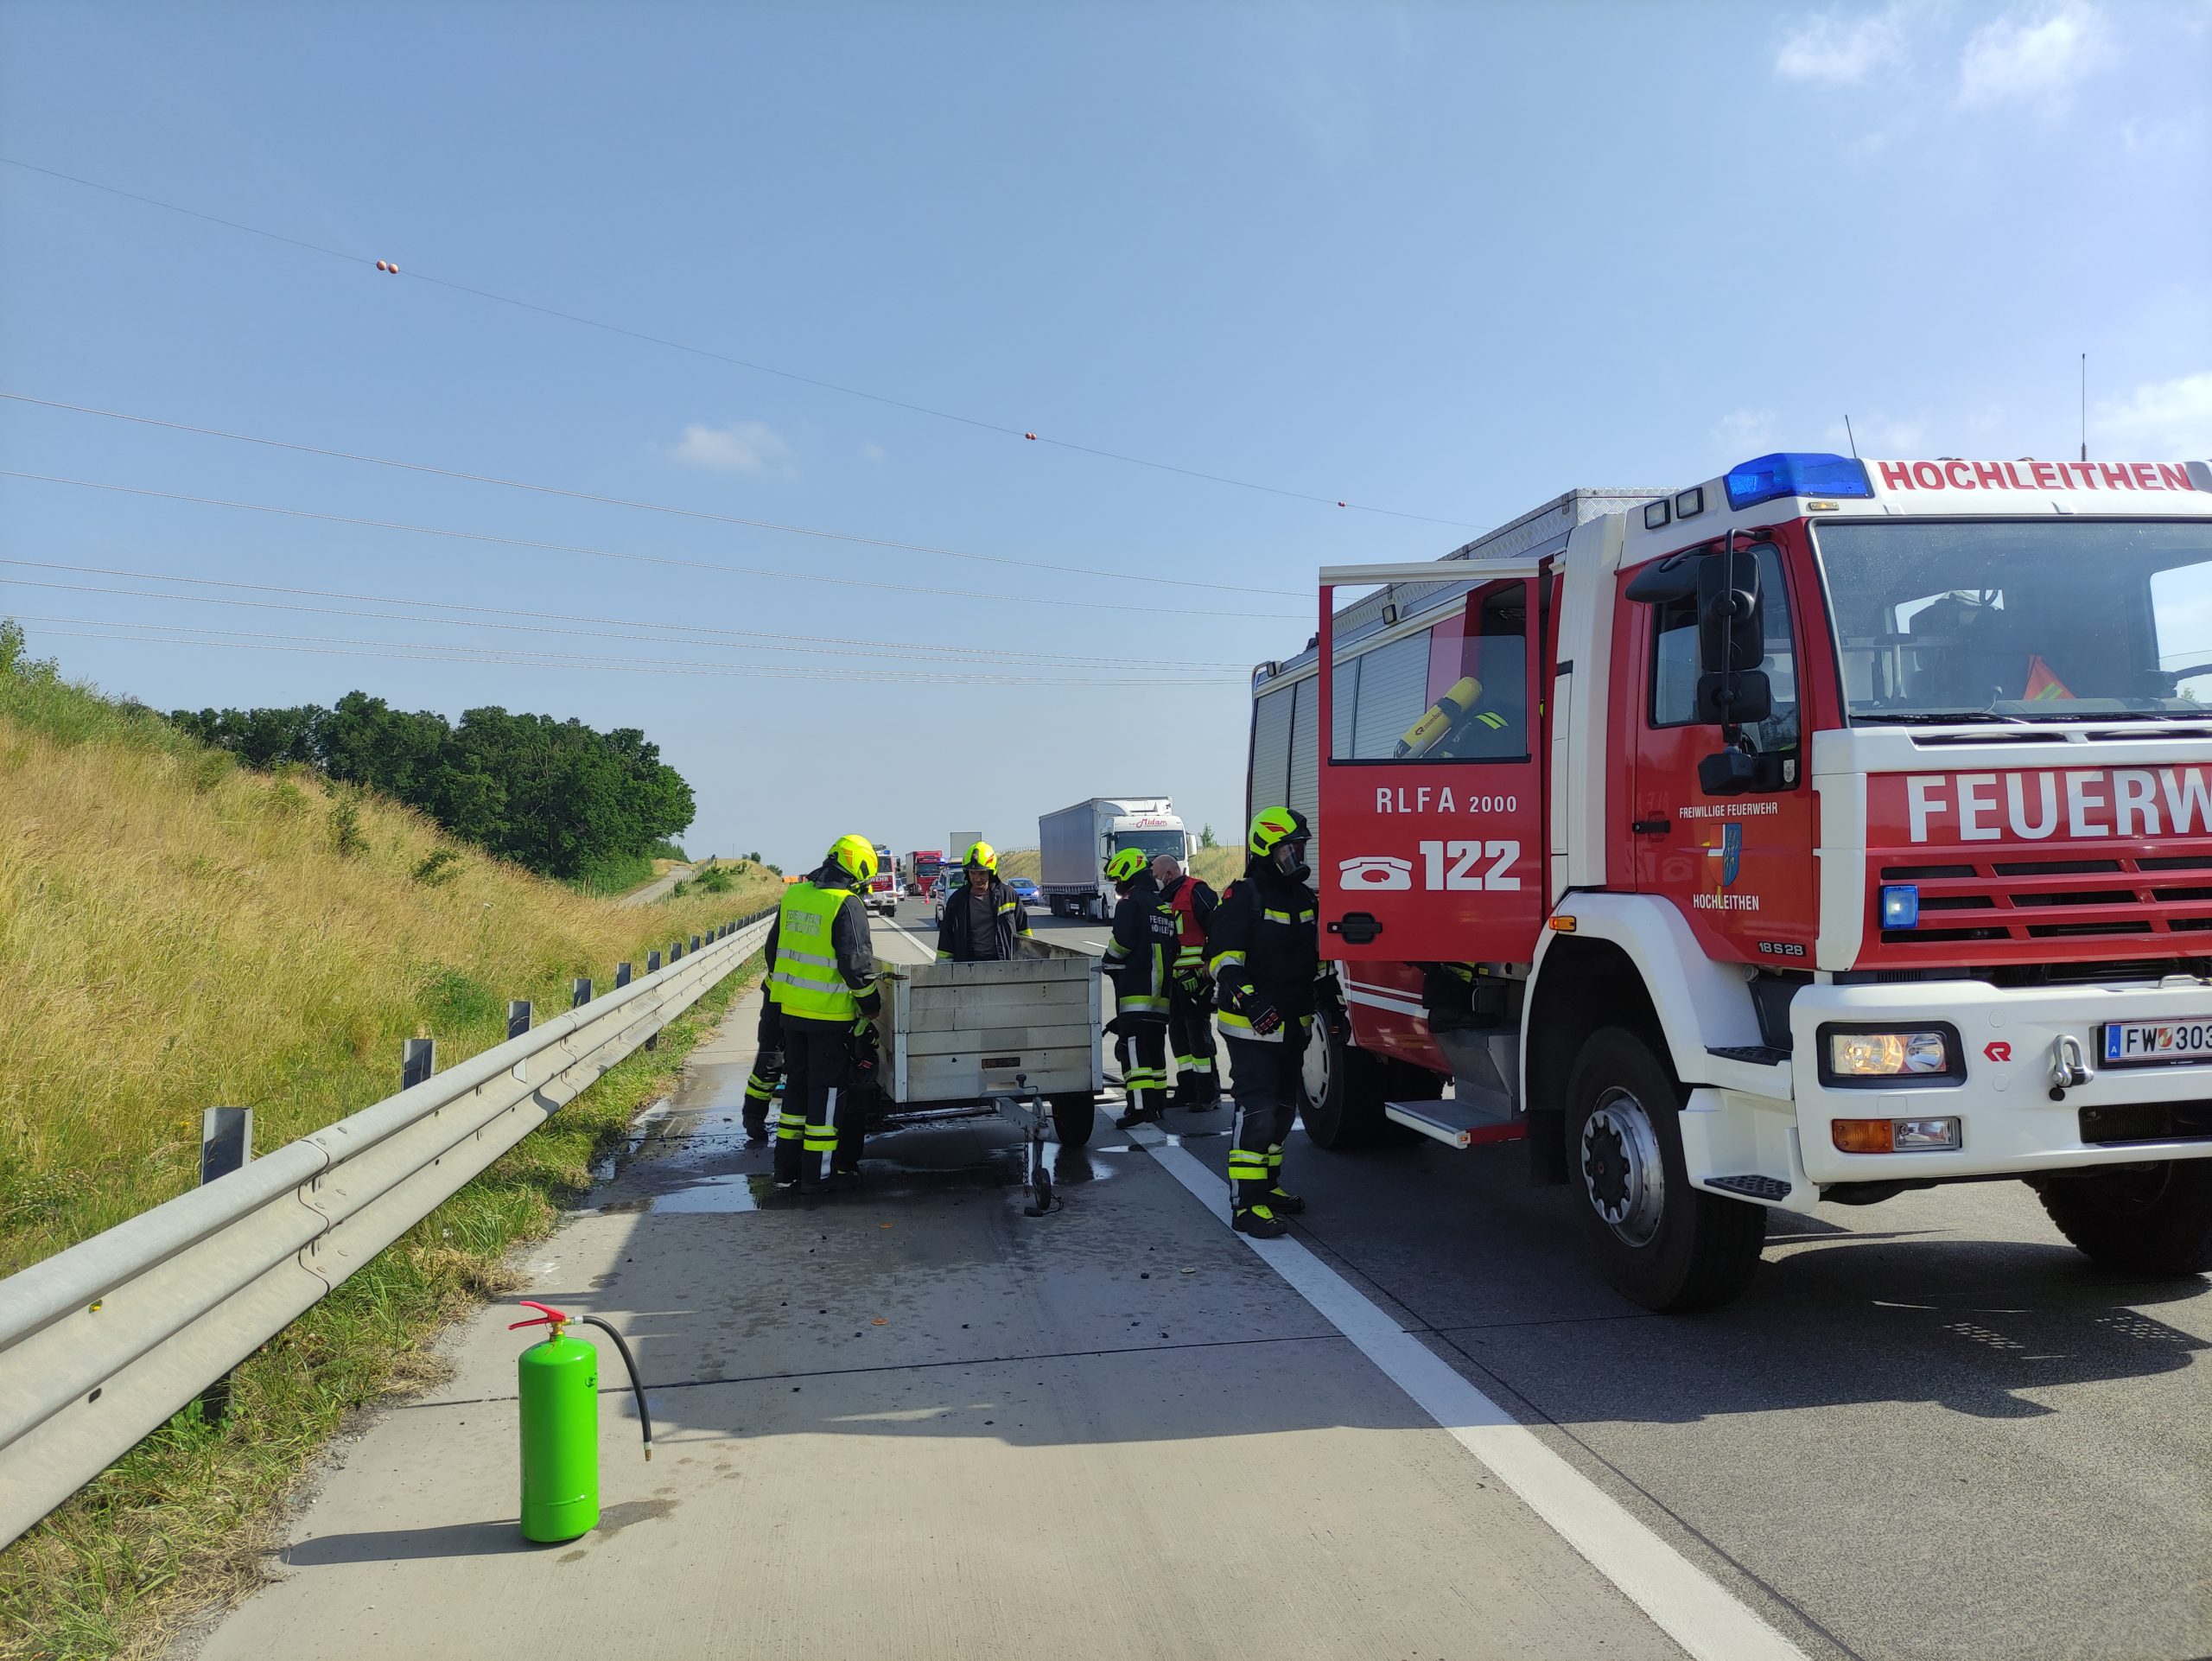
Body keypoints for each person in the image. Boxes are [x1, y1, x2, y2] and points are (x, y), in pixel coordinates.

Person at [1211, 806, 1319, 1238]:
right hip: (1251, 1026)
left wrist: (1333, 1010)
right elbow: (1223, 959)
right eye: (1288, 849)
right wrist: (1250, 1001)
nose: (1296, 856)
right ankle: (1246, 1204)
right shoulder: (1244, 896)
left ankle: (1268, 1187)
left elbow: (1318, 963)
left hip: (1294, 1024)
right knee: (1258, 1111)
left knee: (1284, 1112)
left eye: (1299, 849)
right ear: (1266, 849)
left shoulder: (1305, 898)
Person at [763, 833, 883, 1192]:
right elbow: (855, 965)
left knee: (796, 1090)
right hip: (829, 1019)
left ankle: (786, 1171)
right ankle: (818, 1176)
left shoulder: (795, 894)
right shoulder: (845, 903)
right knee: (826, 1095)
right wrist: (870, 1004)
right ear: (859, 869)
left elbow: (772, 951)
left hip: (791, 1013)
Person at [1100, 845, 1174, 1128]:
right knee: (1155, 1050)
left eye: (1118, 879)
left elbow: (1122, 943)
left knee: (1134, 1050)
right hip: (1161, 997)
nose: (1117, 886)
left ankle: (1140, 1108)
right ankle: (1158, 1104)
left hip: (1136, 993)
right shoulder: (1162, 906)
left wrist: (1107, 961)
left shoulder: (1130, 903)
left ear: (1128, 873)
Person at [1152, 853, 1220, 1109]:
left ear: (1169, 874)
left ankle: (1209, 1093)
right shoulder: (1163, 899)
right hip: (1174, 980)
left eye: (1156, 876)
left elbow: (1219, 927)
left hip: (1196, 978)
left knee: (1198, 1036)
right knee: (1179, 1036)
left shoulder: (1196, 891)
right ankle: (1187, 1089)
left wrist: (1208, 961)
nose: (1155, 880)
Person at [935, 840, 1033, 962]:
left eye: (981, 873)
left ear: (991, 872)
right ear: (967, 873)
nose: (977, 878)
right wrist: (943, 967)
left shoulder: (1008, 896)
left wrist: (1029, 962)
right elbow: (946, 938)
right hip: (969, 966)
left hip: (1004, 965)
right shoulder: (957, 901)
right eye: (973, 873)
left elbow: (1024, 931)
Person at [741, 993, 783, 1142]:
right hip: (781, 1002)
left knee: (771, 1062)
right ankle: (753, 1118)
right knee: (770, 1063)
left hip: (782, 1000)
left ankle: (753, 1117)